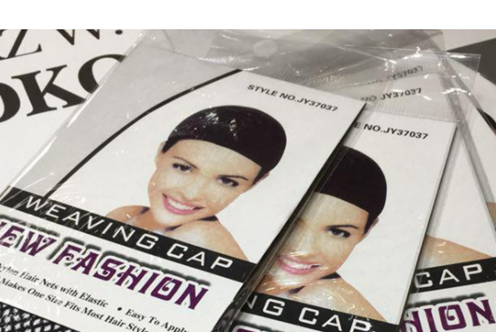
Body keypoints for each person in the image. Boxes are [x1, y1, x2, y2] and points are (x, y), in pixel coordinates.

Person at [108, 106, 287, 260]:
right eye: (183, 168)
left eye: (226, 181)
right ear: (160, 153)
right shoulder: (127, 213)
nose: (191, 194)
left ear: (254, 183)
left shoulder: (198, 237)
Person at [258, 147, 387, 320]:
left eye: (337, 232)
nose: (303, 250)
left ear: (366, 231)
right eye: (293, 223)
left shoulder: (352, 315)